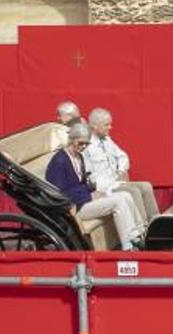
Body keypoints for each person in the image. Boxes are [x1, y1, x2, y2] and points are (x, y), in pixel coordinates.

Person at [45, 122, 141, 250]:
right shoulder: (59, 161)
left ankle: (138, 235)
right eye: (80, 143)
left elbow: (82, 183)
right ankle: (128, 243)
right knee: (118, 202)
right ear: (71, 139)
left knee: (125, 195)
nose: (83, 147)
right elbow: (60, 193)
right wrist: (89, 195)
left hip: (84, 200)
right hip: (74, 208)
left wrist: (94, 190)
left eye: (86, 144)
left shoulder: (79, 157)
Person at [84, 107, 161, 227]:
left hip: (117, 181)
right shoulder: (86, 146)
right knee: (133, 191)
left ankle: (157, 223)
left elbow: (123, 156)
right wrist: (111, 184)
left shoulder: (107, 140)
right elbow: (90, 176)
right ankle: (143, 228)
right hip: (105, 187)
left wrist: (121, 170)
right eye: (106, 125)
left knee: (146, 186)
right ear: (94, 126)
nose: (110, 127)